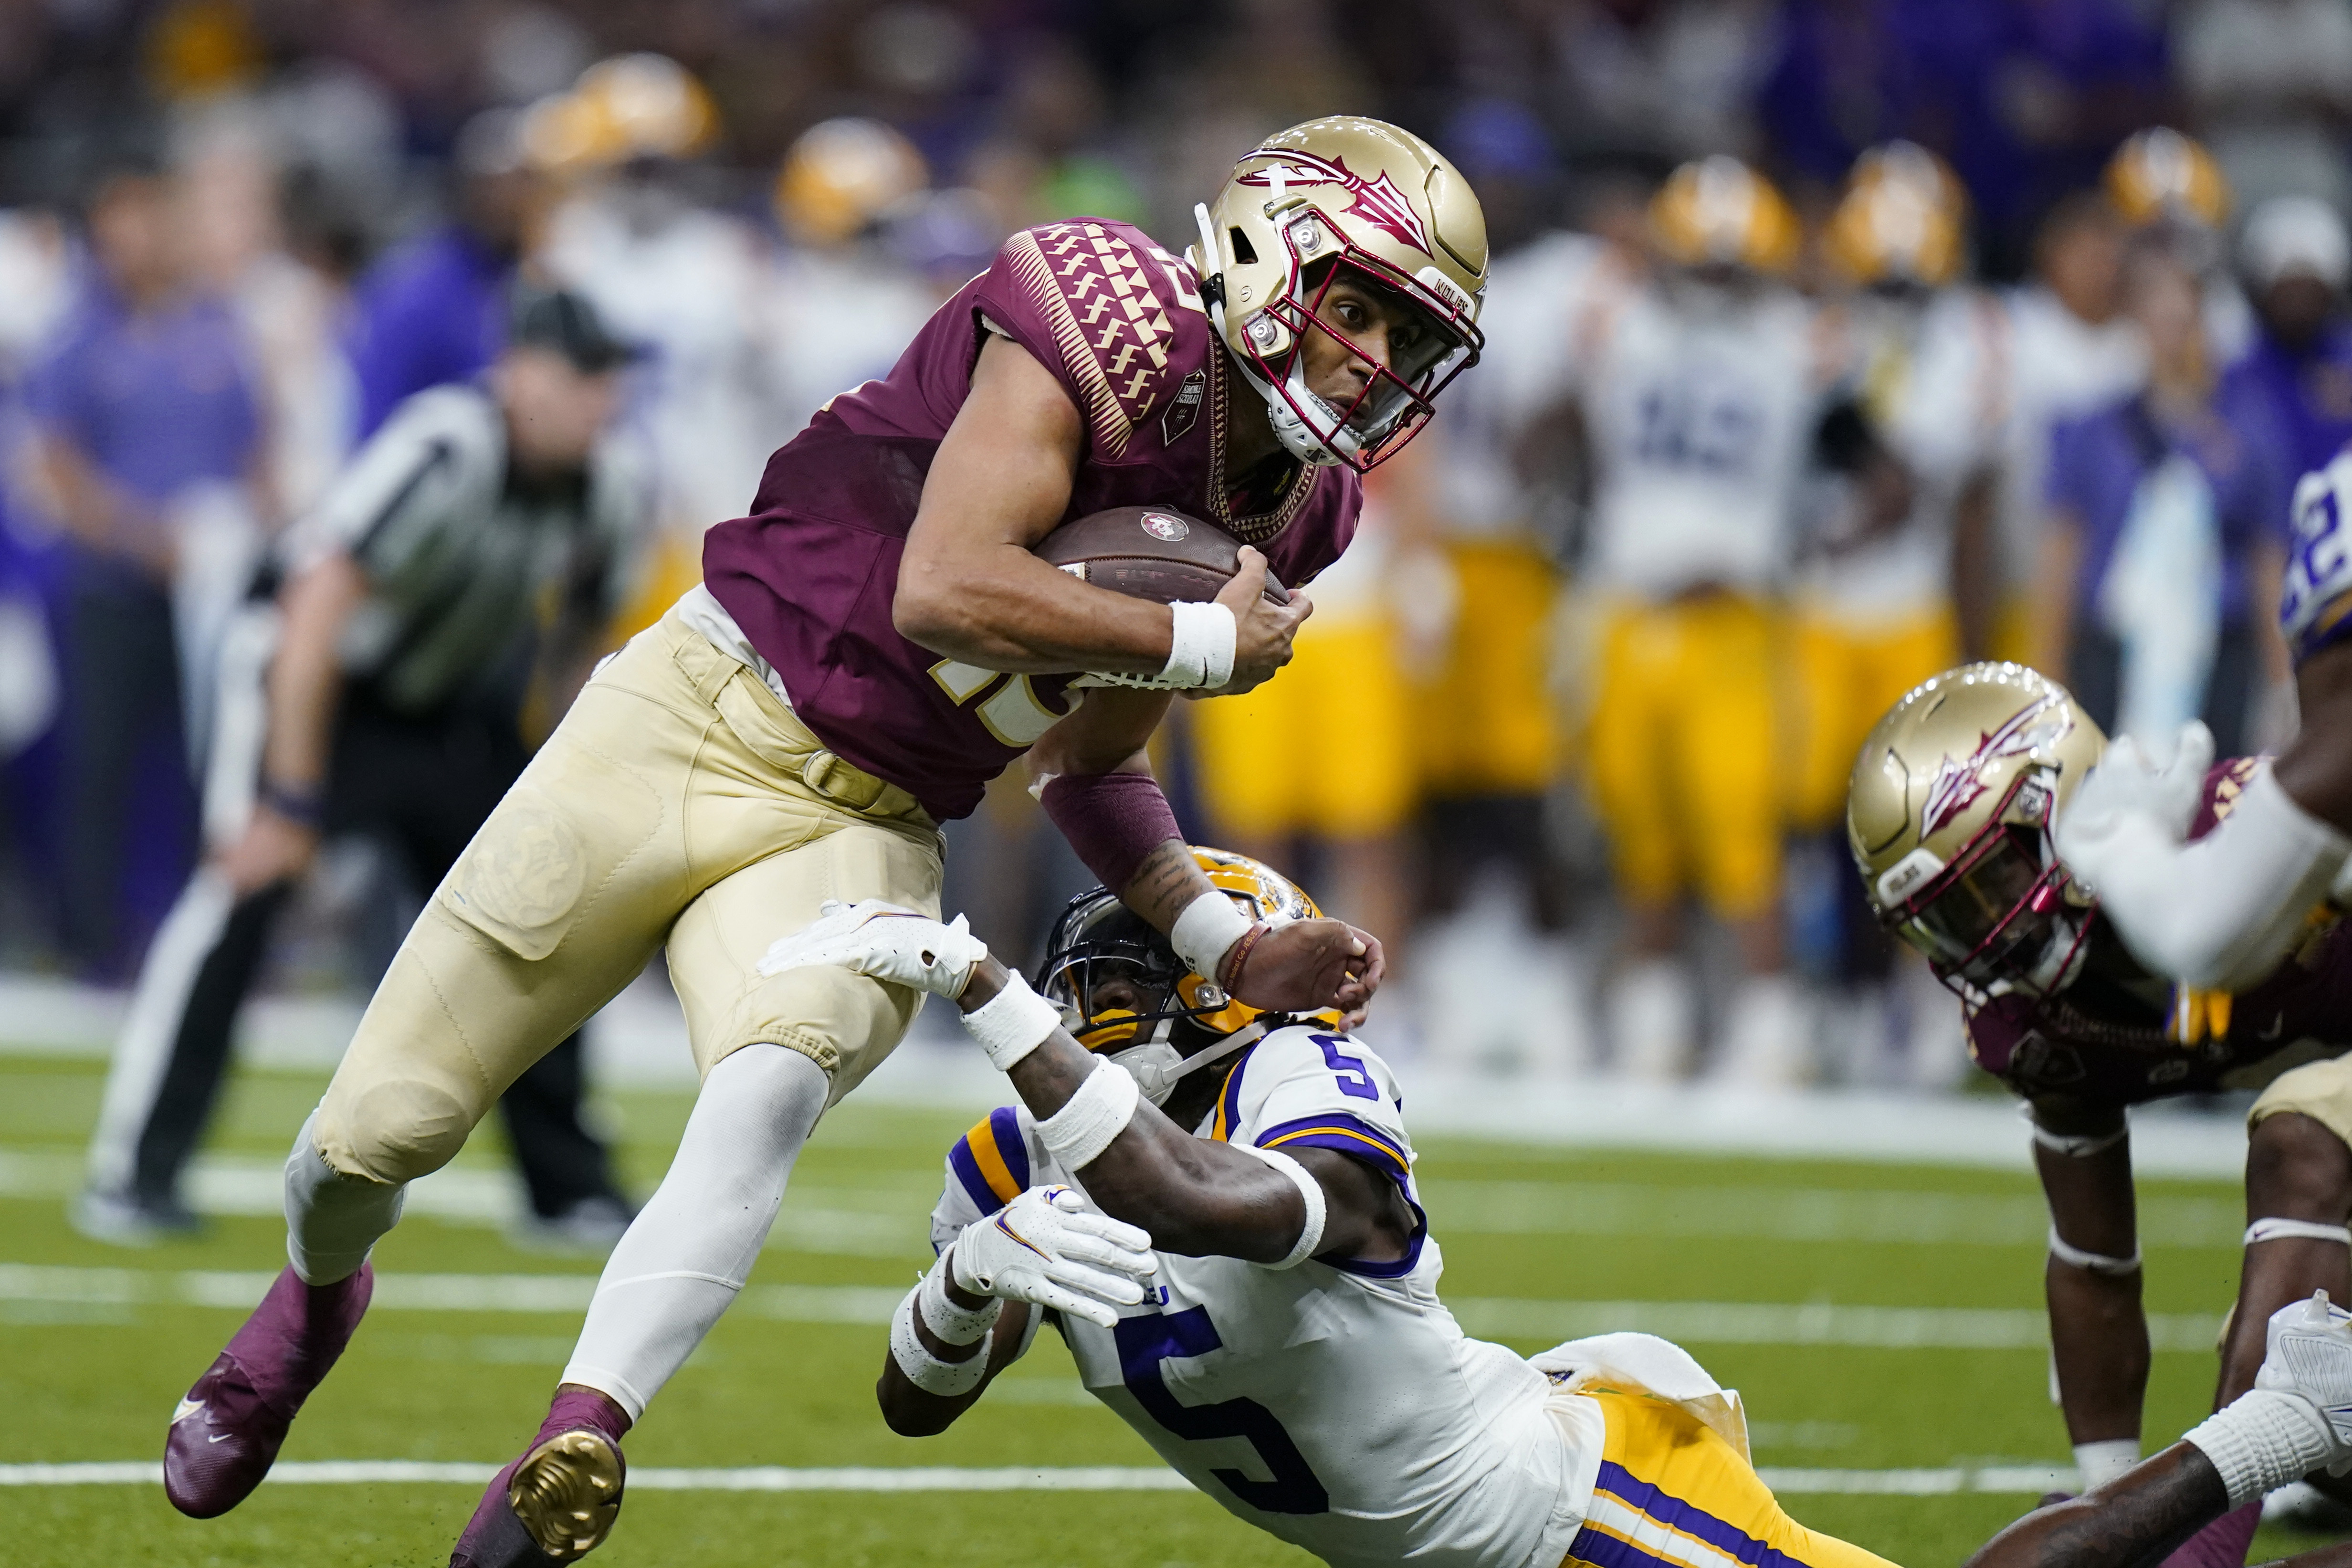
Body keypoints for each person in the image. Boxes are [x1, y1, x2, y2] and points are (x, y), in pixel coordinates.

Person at [158, 118, 1487, 1568]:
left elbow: (1087, 769)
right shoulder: (1103, 310)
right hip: (689, 706)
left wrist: (1227, 941)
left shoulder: (1297, 503)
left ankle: (577, 1439)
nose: (1370, 361)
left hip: (869, 816)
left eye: (1402, 338)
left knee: (771, 1081)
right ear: (1262, 252)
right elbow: (942, 585)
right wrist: (1191, 638)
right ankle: (313, 1296)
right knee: (370, 1140)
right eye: (1356, 308)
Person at [761, 856, 2352, 1568]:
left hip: (1565, 1512)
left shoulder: (1300, 1084)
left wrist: (978, 988)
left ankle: (2280, 1421)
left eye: (1131, 969)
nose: (1087, 992)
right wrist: (964, 1283)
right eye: (1079, 972)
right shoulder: (1016, 1148)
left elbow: (1203, 1204)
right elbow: (913, 1405)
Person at [75, 288, 647, 1246]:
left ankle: (569, 1186)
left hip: (454, 707)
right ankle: (135, 1171)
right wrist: (288, 795)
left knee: (535, 918)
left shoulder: (612, 484)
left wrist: (551, 765)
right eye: (581, 376)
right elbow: (314, 603)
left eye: (609, 379)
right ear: (517, 374)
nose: (602, 400)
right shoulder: (446, 447)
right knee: (245, 891)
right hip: (315, 684)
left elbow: (583, 635)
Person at [1849, 661, 2352, 1568]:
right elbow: (2092, 1265)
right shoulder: (2029, 1023)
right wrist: (2108, 1497)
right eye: (1943, 921)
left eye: (1987, 886)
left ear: (2058, 806)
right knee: (2292, 1334)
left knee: (2300, 1142)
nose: (1981, 939)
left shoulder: (2243, 834)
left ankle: (2203, 1544)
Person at [1561, 155, 1819, 1083]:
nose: (1712, 281)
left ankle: (1771, 1024)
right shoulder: (1615, 323)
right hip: (1630, 608)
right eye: (1699, 261)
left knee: (1743, 836)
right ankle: (1655, 1020)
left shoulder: (1799, 339)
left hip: (1736, 618)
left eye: (1729, 264)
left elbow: (1868, 453)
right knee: (1641, 832)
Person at [32, 159, 270, 974]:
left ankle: (196, 940)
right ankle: (91, 943)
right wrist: (146, 539)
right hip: (113, 588)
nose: (125, 242)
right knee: (99, 761)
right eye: (112, 224)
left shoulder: (217, 328)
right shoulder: (79, 338)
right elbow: (59, 470)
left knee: (208, 760)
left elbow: (256, 447)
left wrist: (248, 531)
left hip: (209, 590)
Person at [2035, 237, 2291, 759]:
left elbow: (2266, 557)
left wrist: (2281, 678)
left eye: (2182, 308)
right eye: (2154, 309)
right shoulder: (2095, 429)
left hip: (2220, 647)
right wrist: (2049, 672)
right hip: (2113, 648)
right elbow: (2063, 551)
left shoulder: (2248, 427)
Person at [342, 107, 549, 441]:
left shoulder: (527, 278)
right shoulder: (415, 291)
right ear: (467, 190)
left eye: (526, 186)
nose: (515, 204)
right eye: (500, 189)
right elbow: (374, 419)